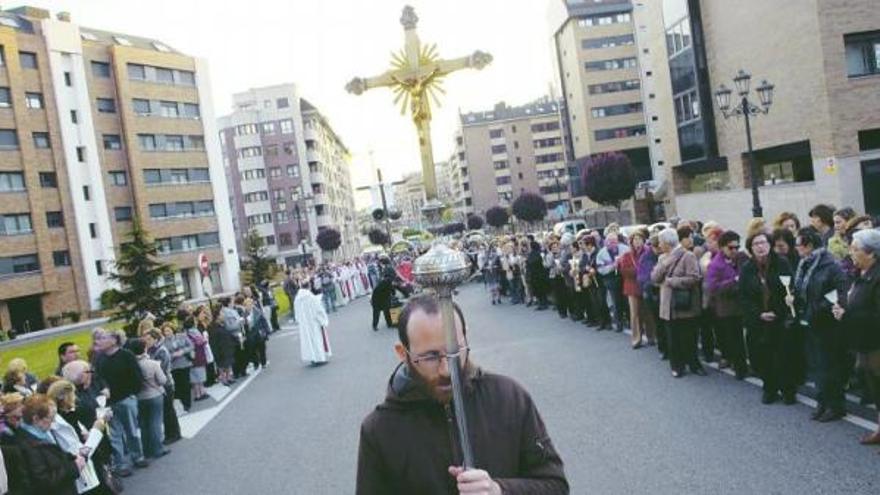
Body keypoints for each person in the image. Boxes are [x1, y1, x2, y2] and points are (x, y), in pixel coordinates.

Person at [356, 295, 569, 494]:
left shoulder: (509, 397)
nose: (447, 370)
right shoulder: (379, 430)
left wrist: (500, 490)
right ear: (403, 354)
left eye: (454, 351)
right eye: (430, 357)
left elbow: (556, 485)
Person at [790, 228, 848, 422]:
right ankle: (822, 401)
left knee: (829, 365)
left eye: (798, 245)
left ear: (808, 246)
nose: (796, 249)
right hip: (808, 322)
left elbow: (840, 293)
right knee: (816, 365)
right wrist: (793, 298)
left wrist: (817, 308)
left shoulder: (831, 265)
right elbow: (801, 290)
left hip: (826, 323)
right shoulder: (804, 264)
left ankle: (835, 404)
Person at [832, 229, 880, 444]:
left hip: (876, 343)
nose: (851, 252)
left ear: (871, 253)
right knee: (874, 386)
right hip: (864, 342)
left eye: (856, 249)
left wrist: (847, 315)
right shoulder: (860, 273)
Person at [740, 231, 797, 404]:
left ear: (770, 244)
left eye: (763, 242)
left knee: (783, 357)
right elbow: (743, 297)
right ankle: (769, 388)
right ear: (751, 248)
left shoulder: (781, 263)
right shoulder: (747, 268)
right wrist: (759, 314)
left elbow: (790, 289)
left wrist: (778, 311)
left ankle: (788, 390)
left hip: (779, 319)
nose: (760, 246)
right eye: (755, 244)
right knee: (761, 357)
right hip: (758, 321)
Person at [651, 227, 705, 378]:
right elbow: (654, 278)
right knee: (673, 339)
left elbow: (694, 278)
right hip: (668, 306)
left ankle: (694, 364)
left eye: (661, 242)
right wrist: (664, 265)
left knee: (689, 337)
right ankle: (677, 366)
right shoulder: (662, 258)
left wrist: (673, 281)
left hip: (685, 304)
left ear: (667, 242)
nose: (659, 245)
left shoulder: (688, 256)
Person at [93, 328, 147, 476]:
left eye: (103, 338)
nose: (99, 342)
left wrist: (131, 394)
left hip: (126, 399)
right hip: (109, 403)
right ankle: (120, 464)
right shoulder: (99, 359)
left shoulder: (126, 355)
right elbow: (97, 378)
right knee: (115, 435)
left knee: (132, 431)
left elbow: (137, 376)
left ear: (113, 340)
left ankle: (138, 456)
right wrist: (103, 389)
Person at [9, 394, 81, 495]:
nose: (53, 422)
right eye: (51, 418)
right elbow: (43, 483)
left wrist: (72, 458)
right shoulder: (28, 445)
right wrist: (74, 467)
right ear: (36, 419)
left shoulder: (41, 433)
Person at [46, 379, 108, 494]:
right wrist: (97, 430)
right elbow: (76, 449)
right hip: (81, 470)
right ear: (63, 397)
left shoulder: (71, 414)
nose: (75, 397)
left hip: (88, 465)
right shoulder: (60, 422)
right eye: (72, 394)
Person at [705, 230, 748, 379]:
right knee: (735, 339)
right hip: (728, 308)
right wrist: (734, 281)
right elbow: (713, 288)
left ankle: (747, 365)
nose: (734, 250)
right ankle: (740, 368)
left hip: (743, 305)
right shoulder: (715, 264)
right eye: (731, 248)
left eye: (737, 247)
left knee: (746, 339)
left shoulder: (742, 258)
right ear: (722, 247)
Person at [128, 339, 168, 460]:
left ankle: (147, 449)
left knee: (144, 424)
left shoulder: (131, 365)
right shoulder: (152, 364)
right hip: (154, 394)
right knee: (155, 422)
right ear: (144, 349)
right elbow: (162, 380)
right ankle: (158, 448)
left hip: (139, 397)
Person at [619, 229, 653, 348]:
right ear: (631, 242)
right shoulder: (627, 255)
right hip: (632, 287)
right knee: (635, 314)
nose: (637, 242)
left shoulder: (649, 253)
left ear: (644, 241)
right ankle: (636, 339)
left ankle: (651, 336)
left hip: (645, 286)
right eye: (635, 240)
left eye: (639, 239)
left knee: (648, 312)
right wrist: (639, 271)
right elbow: (624, 271)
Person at [596, 233, 629, 332]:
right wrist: (612, 266)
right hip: (611, 279)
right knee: (616, 301)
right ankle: (618, 322)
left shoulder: (625, 249)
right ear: (606, 242)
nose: (612, 244)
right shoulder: (602, 253)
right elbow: (600, 269)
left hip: (624, 277)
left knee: (626, 300)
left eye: (614, 241)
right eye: (610, 242)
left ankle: (628, 320)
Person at [295, 281, 332, 365]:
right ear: (309, 286)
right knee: (316, 339)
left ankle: (312, 358)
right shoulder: (311, 298)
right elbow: (318, 310)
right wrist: (323, 321)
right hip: (313, 322)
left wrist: (300, 321)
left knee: (308, 341)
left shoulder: (297, 299)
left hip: (304, 324)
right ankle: (319, 358)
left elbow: (296, 314)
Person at [163, 322, 194, 413]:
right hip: (174, 366)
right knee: (178, 385)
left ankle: (187, 404)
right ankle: (182, 402)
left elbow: (191, 346)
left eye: (168, 330)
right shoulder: (164, 343)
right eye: (165, 331)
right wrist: (173, 355)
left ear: (172, 330)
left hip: (184, 363)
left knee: (186, 383)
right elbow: (165, 355)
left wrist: (183, 351)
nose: (167, 333)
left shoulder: (181, 336)